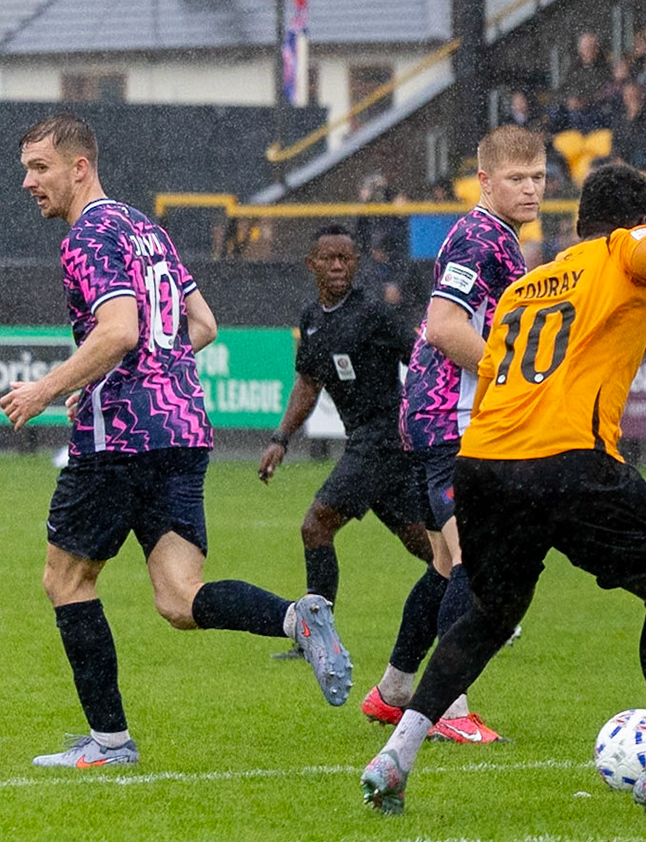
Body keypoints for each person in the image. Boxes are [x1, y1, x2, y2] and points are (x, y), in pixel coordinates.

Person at [360, 162, 646, 814]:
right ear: (641, 220)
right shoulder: (625, 249)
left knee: (488, 615)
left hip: (485, 460)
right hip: (570, 458)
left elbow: (493, 377)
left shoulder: (529, 285)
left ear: (577, 222)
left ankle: (394, 758)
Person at [2, 115, 348, 768]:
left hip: (122, 437)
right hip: (183, 426)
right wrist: (120, 376)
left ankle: (110, 743)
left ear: (80, 167)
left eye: (40, 168)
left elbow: (119, 331)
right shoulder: (146, 229)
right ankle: (294, 618)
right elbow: (204, 325)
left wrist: (48, 388)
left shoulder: (89, 235)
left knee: (65, 579)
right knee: (180, 597)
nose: (28, 182)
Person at [380, 125, 547, 743]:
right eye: (516, 178)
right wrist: (514, 378)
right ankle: (448, 708)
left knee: (447, 563)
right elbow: (446, 327)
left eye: (538, 177)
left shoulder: (497, 235)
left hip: (437, 415)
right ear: (484, 181)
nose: (530, 189)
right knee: (477, 564)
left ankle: (395, 690)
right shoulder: (480, 237)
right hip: (453, 417)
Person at [258, 228, 454, 707]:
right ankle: (480, 607)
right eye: (328, 258)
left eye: (345, 258)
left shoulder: (373, 313)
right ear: (311, 263)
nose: (338, 266)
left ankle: (315, 635)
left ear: (356, 262)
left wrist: (429, 412)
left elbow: (421, 356)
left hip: (382, 439)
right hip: (375, 444)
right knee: (425, 544)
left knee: (315, 526)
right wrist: (281, 439)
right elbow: (308, 383)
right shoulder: (313, 320)